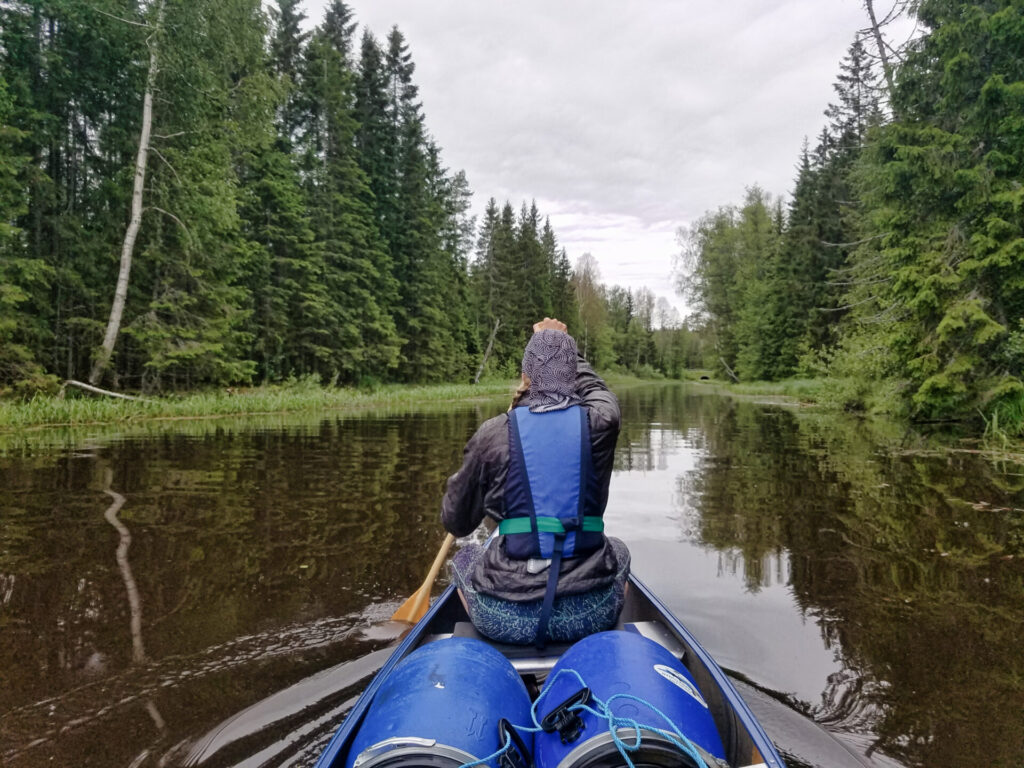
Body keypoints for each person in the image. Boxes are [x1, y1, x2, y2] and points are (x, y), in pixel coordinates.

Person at [441, 317, 630, 646]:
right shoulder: (602, 421)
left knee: (465, 556)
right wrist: (559, 341)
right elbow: (598, 391)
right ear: (574, 374)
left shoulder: (494, 433)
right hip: (590, 613)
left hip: (505, 617)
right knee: (620, 551)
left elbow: (457, 523)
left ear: (526, 375)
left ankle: (483, 651)